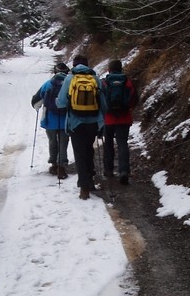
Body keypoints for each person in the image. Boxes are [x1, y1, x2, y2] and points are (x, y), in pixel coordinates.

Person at [56, 54, 105, 200]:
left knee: (79, 153)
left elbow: (62, 102)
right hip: (93, 122)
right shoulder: (95, 79)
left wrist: (58, 102)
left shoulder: (69, 79)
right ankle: (90, 180)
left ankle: (84, 188)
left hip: (75, 123)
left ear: (74, 65)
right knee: (89, 149)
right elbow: (102, 102)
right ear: (87, 64)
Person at [30, 62, 70, 179]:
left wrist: (37, 108)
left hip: (50, 119)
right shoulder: (69, 84)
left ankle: (54, 164)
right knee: (64, 142)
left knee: (53, 141)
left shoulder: (48, 84)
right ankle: (62, 166)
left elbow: (36, 101)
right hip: (65, 120)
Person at [102, 59, 138, 185]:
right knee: (122, 143)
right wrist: (128, 108)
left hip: (108, 118)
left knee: (108, 143)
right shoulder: (127, 82)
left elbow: (101, 99)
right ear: (121, 68)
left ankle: (109, 169)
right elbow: (134, 99)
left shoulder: (105, 82)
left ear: (109, 69)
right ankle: (124, 170)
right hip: (124, 117)